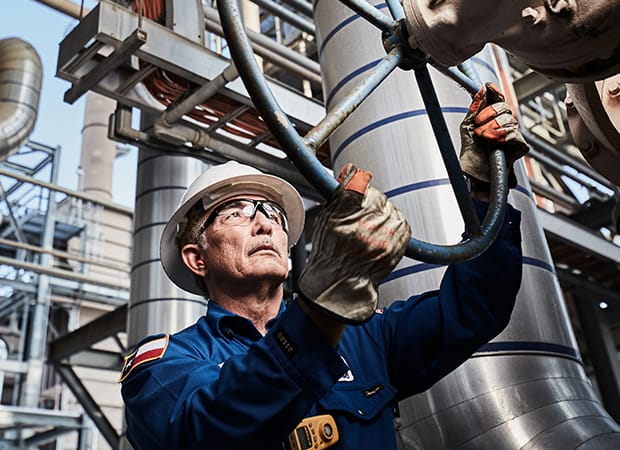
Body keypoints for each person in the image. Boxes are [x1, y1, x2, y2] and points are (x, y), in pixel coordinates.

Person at [120, 84, 528, 450]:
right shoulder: (165, 364)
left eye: (272, 213)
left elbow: (478, 306)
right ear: (197, 258)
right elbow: (205, 430)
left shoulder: (367, 335)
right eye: (235, 214)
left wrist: (486, 190)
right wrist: (320, 311)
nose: (264, 222)